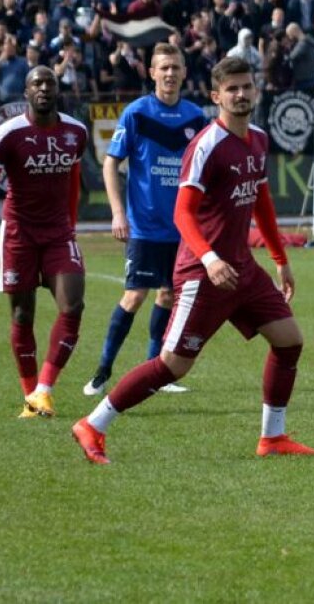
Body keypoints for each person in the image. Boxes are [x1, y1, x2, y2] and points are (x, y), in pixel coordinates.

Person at [72, 57, 314, 464]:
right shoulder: (206, 145)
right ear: (216, 96)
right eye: (232, 89)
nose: (240, 94)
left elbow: (261, 202)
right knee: (172, 365)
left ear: (256, 91)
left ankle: (272, 437)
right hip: (203, 275)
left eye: (246, 87)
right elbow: (182, 213)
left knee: (289, 340)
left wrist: (280, 258)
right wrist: (209, 259)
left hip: (243, 270)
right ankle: (93, 424)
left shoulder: (258, 139)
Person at [82, 44, 209, 397]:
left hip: (182, 229)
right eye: (163, 68)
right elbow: (111, 163)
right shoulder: (136, 113)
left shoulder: (196, 118)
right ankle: (102, 371)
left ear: (184, 73)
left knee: (168, 295)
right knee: (135, 296)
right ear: (152, 73)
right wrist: (117, 212)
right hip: (144, 227)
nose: (170, 73)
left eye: (175, 67)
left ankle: (154, 374)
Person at [0, 66, 89, 419]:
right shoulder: (8, 133)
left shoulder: (76, 132)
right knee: (22, 313)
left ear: (57, 90)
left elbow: (74, 179)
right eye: (37, 83)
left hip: (58, 233)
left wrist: (71, 225)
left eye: (49, 83)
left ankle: (44, 390)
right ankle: (30, 398)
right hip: (19, 232)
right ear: (26, 92)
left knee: (73, 306)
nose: (44, 88)